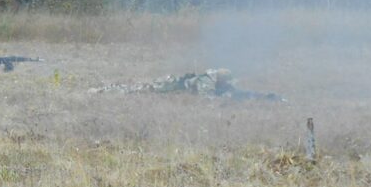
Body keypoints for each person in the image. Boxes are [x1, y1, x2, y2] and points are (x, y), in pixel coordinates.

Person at [91, 68, 285, 101]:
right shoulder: (206, 79)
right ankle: (103, 90)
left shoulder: (219, 81)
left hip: (176, 86)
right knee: (140, 89)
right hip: (172, 87)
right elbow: (205, 96)